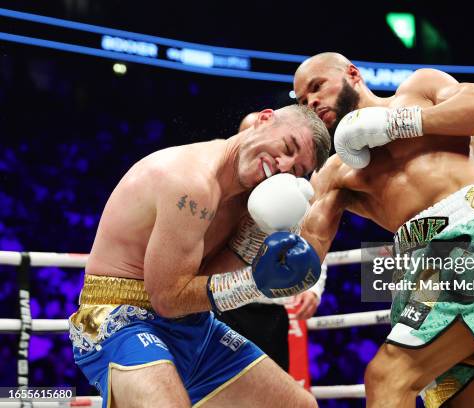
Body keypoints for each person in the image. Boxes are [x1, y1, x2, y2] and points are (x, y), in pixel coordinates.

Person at [293, 53, 474, 407]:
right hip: (419, 273)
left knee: (388, 377)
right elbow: (308, 249)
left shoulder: (418, 88)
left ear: (352, 74)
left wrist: (398, 124)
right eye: (302, 101)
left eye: (317, 87)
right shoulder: (336, 173)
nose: (312, 102)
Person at [68, 104, 331, 408]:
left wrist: (256, 234)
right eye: (287, 147)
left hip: (191, 324)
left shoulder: (251, 200)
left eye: (296, 170)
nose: (284, 165)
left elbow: (204, 286)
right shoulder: (191, 182)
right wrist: (255, 282)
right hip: (117, 319)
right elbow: (167, 298)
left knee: (299, 405)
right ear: (264, 119)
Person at [215, 112, 328, 371]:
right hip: (220, 304)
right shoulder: (220, 184)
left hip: (271, 310)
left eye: (297, 164)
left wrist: (313, 288)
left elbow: (313, 240)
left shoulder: (291, 193)